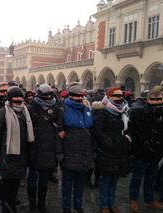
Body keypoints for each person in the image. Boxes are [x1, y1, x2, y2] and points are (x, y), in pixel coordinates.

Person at [0, 86, 34, 213]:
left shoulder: (25, 111)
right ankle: (6, 208)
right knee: (5, 184)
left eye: (21, 97)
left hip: (21, 154)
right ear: (9, 99)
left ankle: (11, 206)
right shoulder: (3, 112)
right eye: (16, 98)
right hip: (7, 154)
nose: (19, 100)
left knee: (15, 183)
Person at [92, 87, 132, 213]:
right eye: (116, 95)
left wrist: (126, 140)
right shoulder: (102, 112)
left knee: (114, 181)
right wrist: (110, 142)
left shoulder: (124, 112)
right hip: (106, 152)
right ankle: (104, 205)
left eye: (121, 95)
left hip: (119, 152)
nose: (120, 98)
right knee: (105, 181)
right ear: (109, 97)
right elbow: (99, 132)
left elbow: (126, 130)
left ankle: (111, 203)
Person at [129, 86, 163, 212]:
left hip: (156, 152)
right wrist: (137, 148)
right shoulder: (139, 112)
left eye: (159, 99)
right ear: (148, 99)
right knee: (137, 177)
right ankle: (133, 200)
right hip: (142, 152)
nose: (157, 102)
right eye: (154, 99)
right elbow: (132, 132)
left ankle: (149, 199)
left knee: (151, 177)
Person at [27, 84, 64, 213]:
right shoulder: (31, 107)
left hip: (49, 147)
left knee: (43, 180)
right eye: (45, 96)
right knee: (32, 178)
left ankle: (42, 204)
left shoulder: (56, 106)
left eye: (50, 95)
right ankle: (32, 204)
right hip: (34, 146)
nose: (48, 98)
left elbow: (60, 124)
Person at [61, 83, 94, 213]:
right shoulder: (63, 108)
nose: (79, 98)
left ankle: (78, 206)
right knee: (67, 183)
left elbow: (91, 128)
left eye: (81, 95)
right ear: (70, 96)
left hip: (84, 151)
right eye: (76, 95)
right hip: (69, 150)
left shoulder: (86, 109)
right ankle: (66, 207)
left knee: (80, 183)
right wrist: (60, 153)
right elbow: (58, 130)